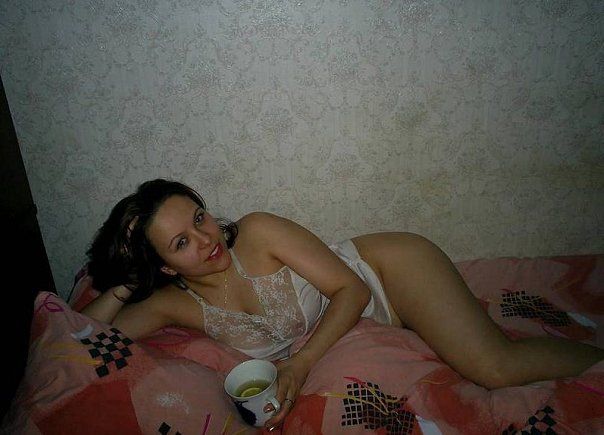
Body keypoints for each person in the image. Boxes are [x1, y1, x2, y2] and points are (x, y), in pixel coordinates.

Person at [82, 179, 604, 430]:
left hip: (390, 273)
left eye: (199, 218)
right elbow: (77, 335)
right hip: (376, 314)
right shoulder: (173, 305)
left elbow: (352, 289)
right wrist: (128, 282)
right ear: (165, 268)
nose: (205, 238)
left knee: (495, 369)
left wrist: (300, 363)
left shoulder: (257, 232)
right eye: (181, 243)